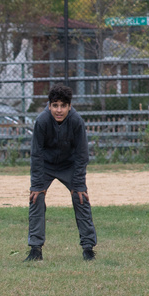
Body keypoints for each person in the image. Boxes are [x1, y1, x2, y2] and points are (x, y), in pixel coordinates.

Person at [24, 83, 97, 262]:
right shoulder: (41, 121)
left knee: (81, 197)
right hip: (46, 165)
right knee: (36, 198)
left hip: (69, 165)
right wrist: (38, 184)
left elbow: (82, 155)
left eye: (63, 106)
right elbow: (36, 154)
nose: (59, 110)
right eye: (55, 105)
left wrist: (79, 183)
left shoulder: (76, 121)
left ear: (69, 106)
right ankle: (35, 250)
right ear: (49, 106)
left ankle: (88, 249)